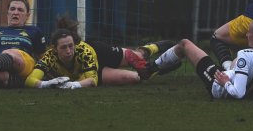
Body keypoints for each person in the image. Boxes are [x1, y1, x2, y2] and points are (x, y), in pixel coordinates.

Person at [149, 17, 253, 100]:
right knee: (236, 64)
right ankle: (156, 66)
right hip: (241, 84)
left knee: (185, 43)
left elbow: (238, 94)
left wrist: (225, 82)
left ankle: (152, 68)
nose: (246, 35)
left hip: (218, 86)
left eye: (249, 32)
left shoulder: (246, 55)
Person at [26, 17, 174, 89]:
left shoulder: (84, 51)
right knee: (136, 77)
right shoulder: (49, 57)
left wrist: (73, 85)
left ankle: (149, 48)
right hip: (96, 70)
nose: (68, 51)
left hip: (99, 53)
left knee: (137, 58)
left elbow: (92, 81)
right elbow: (30, 80)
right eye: (63, 48)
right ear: (54, 49)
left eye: (71, 46)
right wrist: (46, 84)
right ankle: (159, 67)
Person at [0, 0, 46, 89]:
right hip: (0, 67)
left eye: (20, 10)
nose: (15, 12)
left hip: (23, 63)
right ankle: (22, 83)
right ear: (7, 13)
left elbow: (42, 58)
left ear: (27, 15)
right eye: (12, 9)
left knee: (10, 52)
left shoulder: (34, 31)